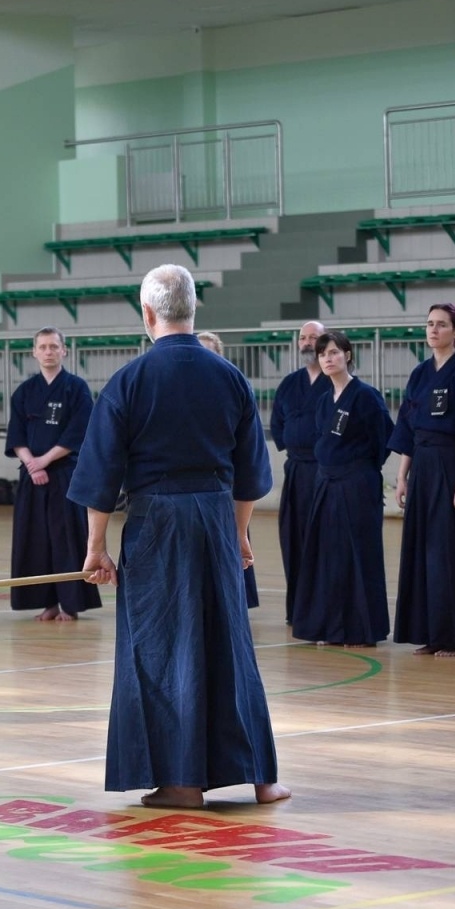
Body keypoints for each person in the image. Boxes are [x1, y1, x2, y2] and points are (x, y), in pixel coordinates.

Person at [70, 264, 287, 809]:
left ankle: (182, 783)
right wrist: (238, 535)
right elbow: (250, 474)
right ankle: (262, 779)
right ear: (193, 309)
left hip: (157, 524)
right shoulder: (229, 377)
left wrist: (96, 548)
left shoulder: (129, 380)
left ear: (148, 314)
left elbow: (101, 475)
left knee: (161, 648)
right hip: (215, 518)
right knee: (230, 644)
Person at [389, 303, 455, 657]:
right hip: (423, 468)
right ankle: (431, 632)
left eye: (442, 324)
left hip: (453, 466)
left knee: (453, 550)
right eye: (429, 324)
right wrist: (402, 476)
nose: (433, 330)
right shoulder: (420, 373)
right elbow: (407, 427)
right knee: (424, 552)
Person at [290, 331, 393, 648]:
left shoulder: (366, 396)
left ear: (347, 355)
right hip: (326, 483)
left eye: (334, 352)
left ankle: (362, 630)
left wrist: (359, 469)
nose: (328, 359)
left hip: (357, 483)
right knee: (328, 557)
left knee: (358, 555)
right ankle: (332, 628)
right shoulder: (324, 400)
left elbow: (383, 439)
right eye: (323, 354)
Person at [6, 327, 99, 621]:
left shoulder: (77, 388)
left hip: (64, 474)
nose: (48, 352)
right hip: (32, 477)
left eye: (54, 347)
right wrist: (31, 464)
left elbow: (78, 431)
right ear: (34, 352)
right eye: (43, 347)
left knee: (66, 539)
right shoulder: (24, 392)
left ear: (64, 351)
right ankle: (47, 602)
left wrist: (44, 461)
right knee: (36, 539)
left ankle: (70, 604)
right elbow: (16, 434)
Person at [268, 319, 331, 623]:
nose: (307, 342)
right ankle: (298, 610)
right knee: (293, 540)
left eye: (313, 337)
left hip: (325, 471)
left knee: (322, 540)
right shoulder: (290, 383)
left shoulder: (336, 382)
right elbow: (277, 424)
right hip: (295, 470)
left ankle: (323, 608)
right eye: (303, 338)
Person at [198, 331, 260, 610]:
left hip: (226, 485)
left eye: (210, 352)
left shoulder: (233, 391)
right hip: (192, 489)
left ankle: (236, 601)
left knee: (234, 541)